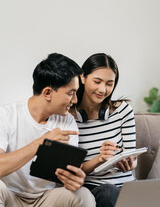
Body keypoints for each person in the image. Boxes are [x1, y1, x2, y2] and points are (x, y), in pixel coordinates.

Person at [0, 53, 96, 207]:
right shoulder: (6, 115)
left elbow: (68, 173)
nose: (75, 100)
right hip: (11, 196)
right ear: (47, 93)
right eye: (71, 93)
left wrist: (74, 179)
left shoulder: (68, 121)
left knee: (83, 195)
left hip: (46, 198)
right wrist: (40, 143)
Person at [70, 53, 137, 207]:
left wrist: (130, 163)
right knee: (109, 192)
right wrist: (99, 158)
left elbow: (133, 157)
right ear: (83, 78)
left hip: (127, 186)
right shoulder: (68, 118)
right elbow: (74, 171)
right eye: (97, 81)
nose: (103, 89)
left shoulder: (123, 111)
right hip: (95, 189)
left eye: (109, 84)